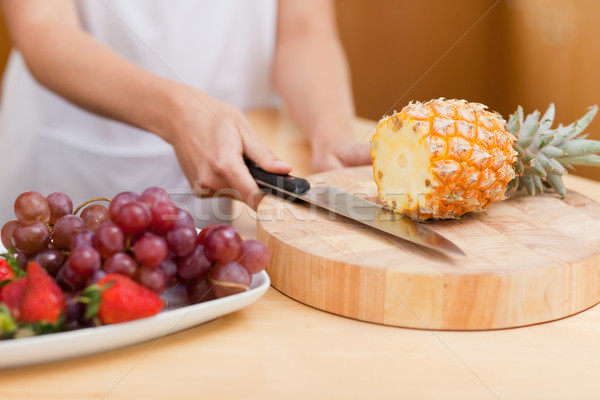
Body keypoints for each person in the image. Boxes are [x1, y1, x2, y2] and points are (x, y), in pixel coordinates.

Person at [0, 0, 370, 225]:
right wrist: (177, 112)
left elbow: (303, 30)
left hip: (235, 172)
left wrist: (332, 129)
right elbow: (43, 27)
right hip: (77, 164)